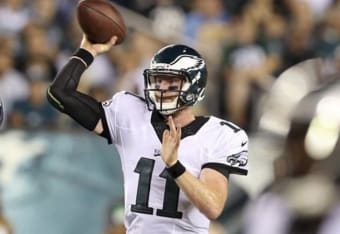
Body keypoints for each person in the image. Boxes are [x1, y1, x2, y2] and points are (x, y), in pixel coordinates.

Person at [47, 35, 249, 234]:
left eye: (171, 81)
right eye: (158, 80)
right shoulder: (131, 114)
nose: (161, 88)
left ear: (193, 85)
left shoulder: (220, 134)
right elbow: (60, 94)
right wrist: (88, 51)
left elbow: (212, 207)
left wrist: (175, 166)